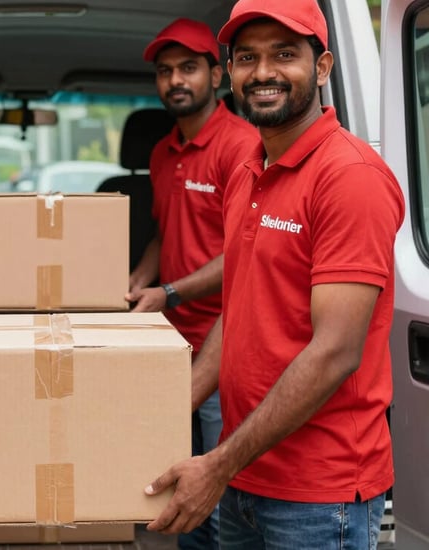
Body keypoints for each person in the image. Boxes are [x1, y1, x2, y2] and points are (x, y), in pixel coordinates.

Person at [144, 1, 405, 548]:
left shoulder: (350, 177)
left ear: (324, 67)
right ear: (231, 72)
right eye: (247, 57)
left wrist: (216, 465)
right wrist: (165, 412)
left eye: (284, 55)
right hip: (244, 476)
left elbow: (335, 349)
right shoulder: (248, 173)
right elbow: (237, 314)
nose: (262, 73)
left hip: (317, 491)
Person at [125, 18, 258, 549]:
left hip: (227, 343)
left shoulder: (243, 146)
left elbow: (246, 252)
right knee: (179, 486)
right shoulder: (163, 152)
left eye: (187, 68)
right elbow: (167, 229)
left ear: (216, 74)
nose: (175, 80)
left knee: (220, 488)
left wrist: (172, 292)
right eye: (164, 71)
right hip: (168, 343)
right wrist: (139, 279)